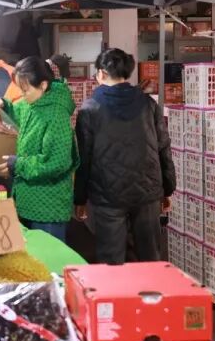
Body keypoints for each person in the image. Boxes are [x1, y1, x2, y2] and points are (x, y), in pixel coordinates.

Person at [74, 48, 176, 264]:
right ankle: (152, 286)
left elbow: (83, 157)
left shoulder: (90, 108)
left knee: (111, 260)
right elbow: (163, 147)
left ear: (102, 73)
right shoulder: (148, 104)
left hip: (107, 194)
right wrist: (168, 188)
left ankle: (117, 287)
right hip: (147, 192)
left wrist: (80, 198)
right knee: (150, 257)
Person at [0, 57, 78, 242]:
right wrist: (3, 104)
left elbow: (56, 162)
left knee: (48, 257)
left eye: (26, 90)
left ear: (43, 85)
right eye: (20, 90)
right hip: (27, 201)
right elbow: (17, 111)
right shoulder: (31, 103)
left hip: (48, 208)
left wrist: (18, 165)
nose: (23, 95)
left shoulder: (56, 114)